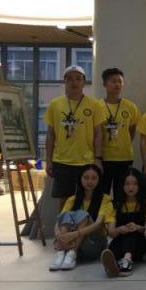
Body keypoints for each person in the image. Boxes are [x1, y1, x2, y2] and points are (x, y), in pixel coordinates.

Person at [44, 66, 105, 206]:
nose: (74, 82)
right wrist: (48, 160)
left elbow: (98, 134)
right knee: (64, 201)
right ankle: (63, 222)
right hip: (62, 161)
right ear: (64, 82)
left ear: (84, 82)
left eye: (78, 78)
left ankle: (84, 222)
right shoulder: (55, 104)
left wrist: (98, 159)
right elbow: (50, 134)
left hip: (86, 161)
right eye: (70, 79)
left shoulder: (95, 105)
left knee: (86, 200)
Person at [49, 164, 113, 272]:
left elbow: (98, 224)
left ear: (99, 180)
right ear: (80, 179)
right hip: (74, 241)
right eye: (86, 178)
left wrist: (73, 234)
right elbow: (59, 221)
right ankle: (62, 254)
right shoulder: (72, 199)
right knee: (66, 215)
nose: (90, 181)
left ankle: (72, 254)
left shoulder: (105, 199)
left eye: (94, 178)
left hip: (94, 244)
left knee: (83, 214)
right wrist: (59, 235)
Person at [101, 168, 146, 277]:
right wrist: (120, 229)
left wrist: (138, 228)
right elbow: (111, 233)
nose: (130, 187)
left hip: (141, 242)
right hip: (120, 240)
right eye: (127, 184)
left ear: (140, 185)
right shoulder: (114, 204)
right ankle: (113, 266)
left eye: (134, 184)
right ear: (122, 186)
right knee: (114, 246)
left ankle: (126, 261)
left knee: (130, 235)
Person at [99, 68, 141, 196]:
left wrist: (124, 142)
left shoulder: (130, 106)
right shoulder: (97, 106)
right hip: (104, 158)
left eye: (119, 81)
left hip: (124, 157)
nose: (117, 84)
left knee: (121, 193)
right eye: (113, 81)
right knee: (102, 193)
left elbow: (132, 130)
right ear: (105, 84)